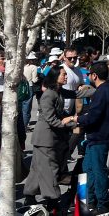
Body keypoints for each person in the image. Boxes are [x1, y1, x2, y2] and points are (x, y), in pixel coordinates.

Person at [73, 61, 109, 216]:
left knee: (98, 170)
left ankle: (102, 204)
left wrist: (77, 119)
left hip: (100, 136)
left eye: (89, 74)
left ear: (94, 75)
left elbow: (94, 116)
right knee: (88, 168)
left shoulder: (102, 91)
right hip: (98, 136)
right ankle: (89, 200)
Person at [23, 66, 76, 204]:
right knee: (50, 169)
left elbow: (75, 94)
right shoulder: (49, 94)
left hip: (48, 138)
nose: (66, 77)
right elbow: (51, 119)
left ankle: (29, 195)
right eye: (63, 75)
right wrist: (71, 124)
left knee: (37, 168)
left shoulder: (59, 91)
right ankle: (53, 198)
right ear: (55, 76)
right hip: (45, 138)